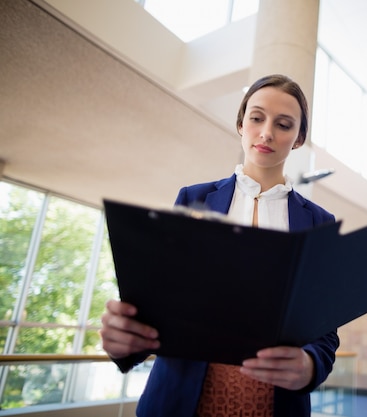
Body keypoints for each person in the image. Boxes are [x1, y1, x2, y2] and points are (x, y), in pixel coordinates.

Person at [99, 74, 340, 417]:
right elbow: (161, 303)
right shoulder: (193, 198)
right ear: (241, 124)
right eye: (256, 118)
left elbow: (325, 331)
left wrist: (310, 366)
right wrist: (124, 343)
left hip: (273, 402)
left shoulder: (318, 222)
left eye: (284, 124)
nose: (267, 132)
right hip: (183, 398)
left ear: (298, 139)